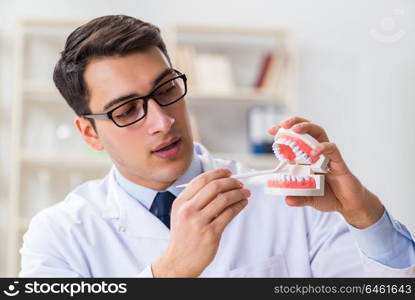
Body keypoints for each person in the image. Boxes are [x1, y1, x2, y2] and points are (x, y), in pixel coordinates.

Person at [20, 15, 415, 278]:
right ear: (89, 133)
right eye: (126, 110)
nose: (163, 121)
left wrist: (365, 216)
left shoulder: (293, 201)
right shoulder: (59, 234)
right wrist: (170, 273)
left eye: (167, 89)